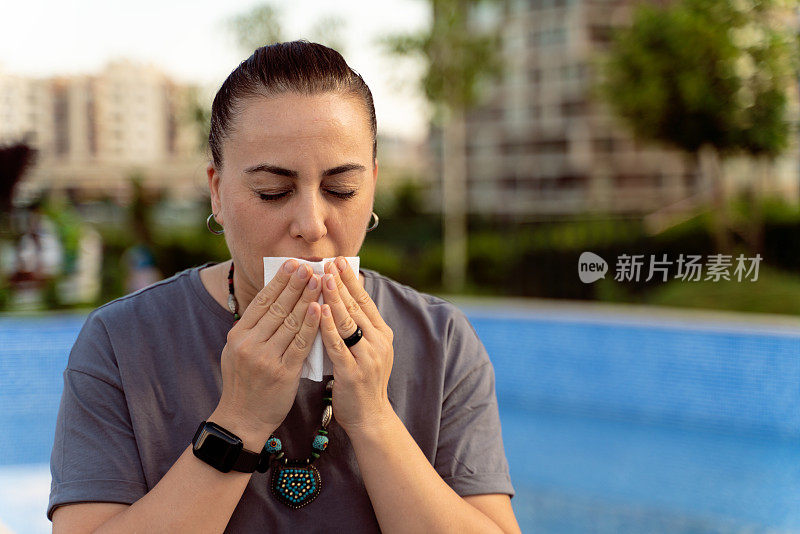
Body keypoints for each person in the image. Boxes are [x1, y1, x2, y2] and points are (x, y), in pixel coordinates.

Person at [48, 41, 520, 533]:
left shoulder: (440, 339)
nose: (311, 224)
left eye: (342, 190)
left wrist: (375, 419)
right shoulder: (122, 341)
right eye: (272, 191)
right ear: (217, 191)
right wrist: (239, 422)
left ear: (372, 187)